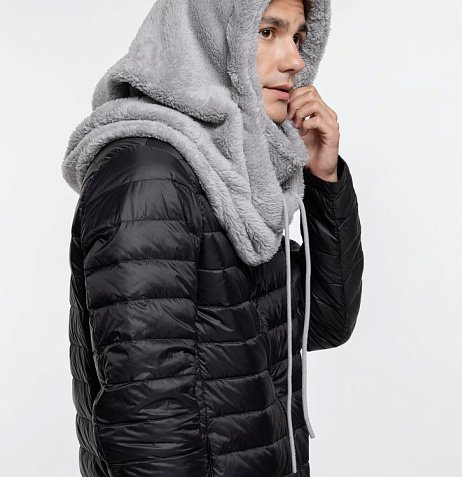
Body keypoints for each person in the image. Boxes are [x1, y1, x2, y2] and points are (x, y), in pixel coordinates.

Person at [62, 0, 364, 476]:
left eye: (298, 37)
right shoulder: (149, 175)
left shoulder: (237, 177)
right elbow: (148, 421)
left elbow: (325, 321)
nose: (294, 60)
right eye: (267, 32)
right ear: (205, 37)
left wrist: (324, 182)